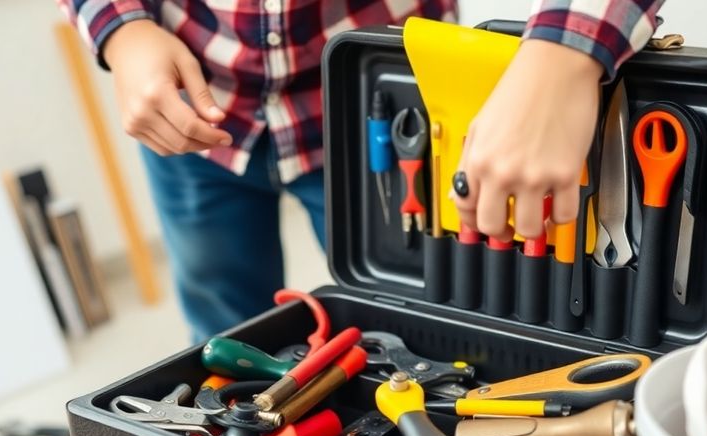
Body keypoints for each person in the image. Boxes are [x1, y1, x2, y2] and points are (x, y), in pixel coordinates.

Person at [56, 0, 664, 342]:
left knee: (424, 331)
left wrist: (566, 56)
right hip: (194, 106)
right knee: (222, 332)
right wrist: (120, 29)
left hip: (389, 92)